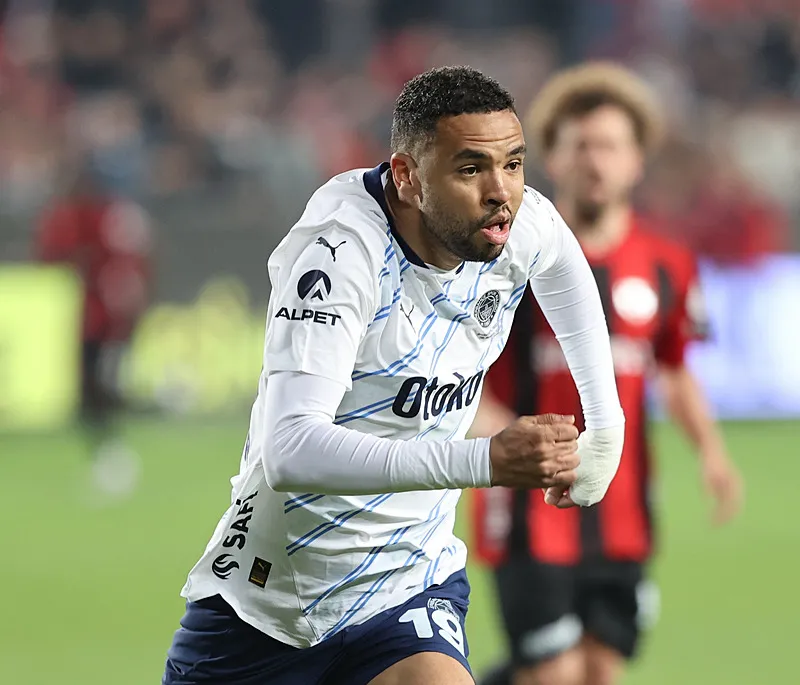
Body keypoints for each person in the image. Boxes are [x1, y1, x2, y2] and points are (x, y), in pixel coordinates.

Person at [162, 66, 626, 685]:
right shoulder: (340, 254)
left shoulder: (512, 224)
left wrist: (607, 426)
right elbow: (290, 448)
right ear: (407, 177)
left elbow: (564, 262)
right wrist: (485, 461)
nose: (502, 191)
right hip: (273, 603)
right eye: (470, 169)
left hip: (410, 584)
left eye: (514, 164)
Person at [470, 62, 744, 685]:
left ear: (636, 161)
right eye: (581, 146)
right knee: (554, 673)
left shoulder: (667, 264)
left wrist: (712, 453)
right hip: (528, 507)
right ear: (552, 159)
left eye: (610, 146)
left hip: (624, 510)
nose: (595, 162)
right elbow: (463, 379)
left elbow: (674, 369)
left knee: (598, 672)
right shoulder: (504, 261)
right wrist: (507, 442)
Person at [35, 161, 152, 499]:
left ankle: (114, 458)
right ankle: (107, 456)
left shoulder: (109, 218)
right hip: (89, 319)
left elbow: (127, 268)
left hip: (107, 322)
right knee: (91, 389)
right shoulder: (84, 218)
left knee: (102, 387)